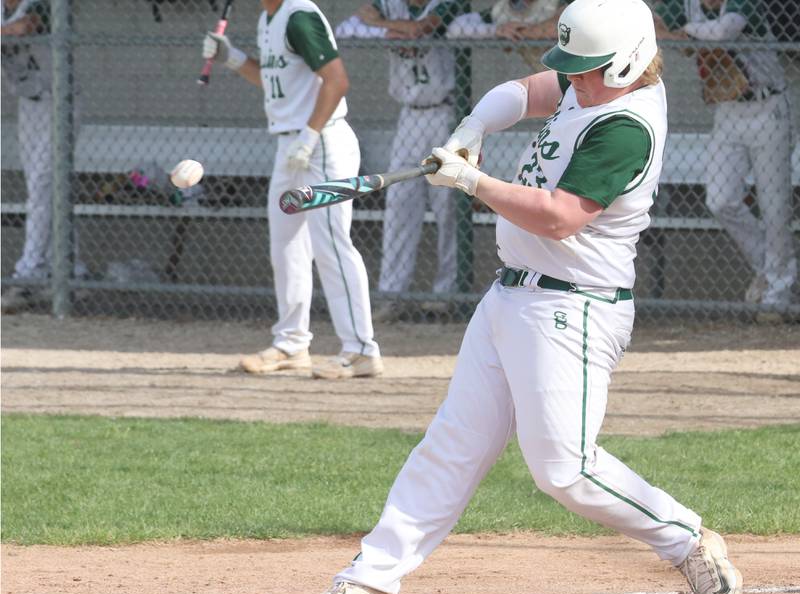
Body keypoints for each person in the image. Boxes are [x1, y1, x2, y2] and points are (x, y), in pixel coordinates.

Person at [287, 0, 743, 594]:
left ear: (629, 61)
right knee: (451, 444)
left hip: (572, 308)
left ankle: (687, 540)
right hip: (511, 296)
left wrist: (472, 183)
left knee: (563, 470)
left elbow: (559, 218)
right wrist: (470, 131)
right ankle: (369, 584)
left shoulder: (626, 124)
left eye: (586, 71)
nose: (572, 81)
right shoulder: (596, 78)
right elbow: (524, 90)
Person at [202, 0, 383, 379]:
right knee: (285, 245)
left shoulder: (299, 15)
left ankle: (361, 349)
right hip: (291, 144)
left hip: (323, 142)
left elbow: (337, 80)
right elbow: (273, 81)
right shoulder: (269, 18)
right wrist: (231, 56)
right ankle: (291, 343)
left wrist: (310, 135)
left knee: (331, 244)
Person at [654, 0, 796, 309]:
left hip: (768, 108)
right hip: (728, 110)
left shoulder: (744, 4)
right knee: (720, 198)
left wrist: (685, 34)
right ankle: (770, 269)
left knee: (774, 209)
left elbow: (722, 31)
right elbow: (652, 22)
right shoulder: (688, 5)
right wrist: (672, 31)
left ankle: (778, 296)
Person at [335, 0, 467, 322]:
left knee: (447, 206)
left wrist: (386, 26)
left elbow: (424, 27)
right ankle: (392, 295)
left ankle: (446, 294)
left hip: (446, 114)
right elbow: (349, 23)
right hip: (409, 117)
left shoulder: (447, 4)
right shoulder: (390, 5)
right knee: (399, 203)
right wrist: (390, 25)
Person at [1, 0, 84, 313]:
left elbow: (23, 28)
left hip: (60, 102)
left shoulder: (44, 3)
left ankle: (29, 274)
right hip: (29, 105)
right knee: (46, 191)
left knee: (41, 186)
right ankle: (71, 270)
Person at [446, 0, 568, 70]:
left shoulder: (556, 2)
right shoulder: (503, 9)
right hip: (548, 76)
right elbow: (454, 28)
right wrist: (496, 30)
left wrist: (521, 33)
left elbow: (564, 25)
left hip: (577, 70)